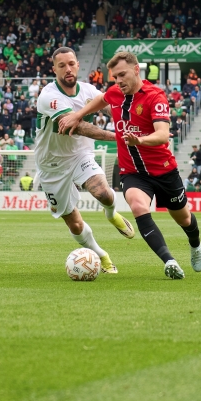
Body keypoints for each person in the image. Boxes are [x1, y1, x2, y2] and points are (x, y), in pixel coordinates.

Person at [58, 51, 201, 279]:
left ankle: (195, 245)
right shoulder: (116, 93)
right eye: (115, 77)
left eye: (122, 75)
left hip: (163, 169)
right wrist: (78, 115)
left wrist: (140, 141)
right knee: (137, 206)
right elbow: (101, 99)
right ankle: (169, 261)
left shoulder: (155, 97)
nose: (118, 81)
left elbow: (163, 135)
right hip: (133, 173)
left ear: (136, 70)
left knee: (184, 218)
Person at [32, 47, 136, 275]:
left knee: (104, 193)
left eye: (71, 64)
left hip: (80, 155)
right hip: (51, 166)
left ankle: (111, 214)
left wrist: (131, 119)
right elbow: (76, 126)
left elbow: (111, 106)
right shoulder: (49, 97)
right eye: (62, 65)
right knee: (75, 223)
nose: (68, 69)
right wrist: (118, 137)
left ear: (78, 65)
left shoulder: (88, 90)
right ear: (54, 69)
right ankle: (101, 254)